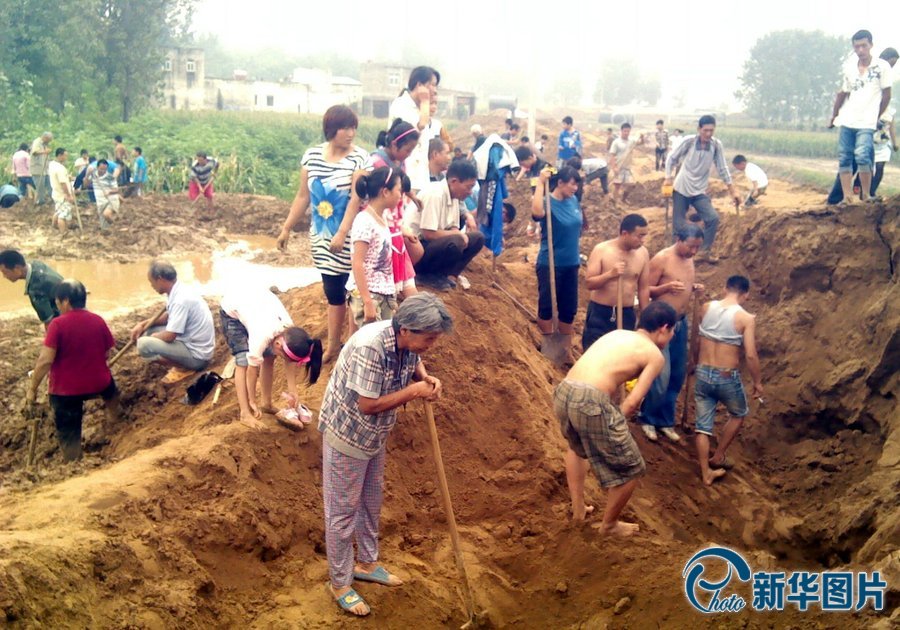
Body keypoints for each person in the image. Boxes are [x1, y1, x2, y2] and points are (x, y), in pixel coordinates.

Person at [319, 293, 451, 617]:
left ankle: (367, 563)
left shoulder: (406, 343)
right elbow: (368, 405)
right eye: (429, 338)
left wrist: (424, 377)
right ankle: (340, 582)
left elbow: (413, 359)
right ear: (405, 329)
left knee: (370, 500)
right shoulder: (371, 347)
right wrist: (414, 391)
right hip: (348, 434)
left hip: (375, 435)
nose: (432, 344)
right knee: (342, 512)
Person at [555, 300, 676, 533]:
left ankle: (578, 511)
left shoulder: (619, 333)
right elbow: (633, 402)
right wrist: (616, 423)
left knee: (576, 449)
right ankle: (609, 525)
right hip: (589, 399)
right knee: (631, 469)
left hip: (565, 390)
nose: (672, 337)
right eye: (672, 331)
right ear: (663, 328)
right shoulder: (655, 355)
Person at [277, 105, 369, 363]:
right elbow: (302, 196)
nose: (351, 133)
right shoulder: (312, 156)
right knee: (333, 292)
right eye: (345, 128)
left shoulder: (360, 158)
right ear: (331, 129)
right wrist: (286, 228)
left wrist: (342, 233)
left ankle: (352, 345)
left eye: (353, 128)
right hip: (321, 237)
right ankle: (333, 346)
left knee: (354, 291)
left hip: (351, 237)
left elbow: (356, 199)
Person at [25, 280, 120, 461]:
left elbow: (45, 361)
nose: (57, 306)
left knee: (68, 427)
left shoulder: (57, 325)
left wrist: (32, 389)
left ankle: (72, 457)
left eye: (57, 302)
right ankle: (116, 422)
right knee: (112, 392)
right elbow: (107, 352)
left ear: (66, 301)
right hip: (99, 383)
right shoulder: (98, 320)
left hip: (66, 391)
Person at [219, 284, 323, 429]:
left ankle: (266, 403)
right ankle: (245, 414)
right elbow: (251, 370)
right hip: (233, 308)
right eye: (282, 355)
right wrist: (252, 401)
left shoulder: (290, 332)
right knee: (242, 361)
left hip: (257, 303)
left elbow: (289, 362)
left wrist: (293, 391)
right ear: (279, 344)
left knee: (270, 357)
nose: (282, 358)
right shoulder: (262, 335)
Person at [693, 275, 762, 486]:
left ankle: (705, 473)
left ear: (725, 288)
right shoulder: (746, 318)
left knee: (702, 427)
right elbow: (750, 355)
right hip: (726, 376)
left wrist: (693, 363)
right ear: (746, 294)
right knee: (738, 413)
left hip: (703, 372)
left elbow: (697, 340)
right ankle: (718, 455)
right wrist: (757, 382)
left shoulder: (706, 307)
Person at [638, 225, 705, 443]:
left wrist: (693, 288)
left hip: (680, 323)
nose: (694, 251)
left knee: (677, 374)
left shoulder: (689, 260)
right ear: (679, 239)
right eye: (691, 246)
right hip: (661, 325)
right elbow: (645, 290)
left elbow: (683, 285)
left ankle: (665, 420)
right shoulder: (662, 259)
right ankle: (647, 417)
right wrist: (665, 289)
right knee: (661, 374)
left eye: (697, 247)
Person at [829, 30, 893, 205]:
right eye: (857, 47)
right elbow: (843, 93)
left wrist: (876, 115)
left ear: (871, 45)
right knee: (845, 157)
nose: (860, 50)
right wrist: (834, 115)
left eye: (864, 46)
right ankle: (847, 197)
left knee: (863, 155)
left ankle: (866, 194)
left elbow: (887, 95)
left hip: (867, 121)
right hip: (848, 119)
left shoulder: (882, 67)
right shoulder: (850, 68)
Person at [664, 115, 740, 260]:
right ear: (699, 129)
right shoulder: (689, 142)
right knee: (678, 225)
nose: (708, 134)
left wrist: (732, 190)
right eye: (705, 130)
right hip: (681, 188)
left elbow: (722, 168)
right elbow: (671, 158)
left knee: (712, 218)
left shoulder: (716, 145)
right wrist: (668, 177)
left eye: (711, 130)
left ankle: (703, 252)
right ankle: (676, 255)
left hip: (699, 191)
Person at [130, 261, 215, 383]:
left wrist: (154, 337)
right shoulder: (178, 290)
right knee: (148, 330)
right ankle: (180, 361)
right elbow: (168, 316)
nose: (152, 286)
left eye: (152, 282)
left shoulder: (180, 300)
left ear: (160, 279)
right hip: (191, 342)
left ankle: (183, 367)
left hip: (198, 357)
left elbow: (170, 336)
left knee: (143, 345)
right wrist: (142, 325)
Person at [406, 159, 484, 290]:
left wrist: (457, 233)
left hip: (434, 244)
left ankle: (448, 275)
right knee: (456, 241)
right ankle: (425, 275)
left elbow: (452, 226)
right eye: (468, 187)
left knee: (478, 238)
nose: (470, 192)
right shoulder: (435, 194)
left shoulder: (454, 196)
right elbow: (428, 234)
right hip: (417, 247)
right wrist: (458, 234)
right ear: (454, 181)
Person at [531, 166, 583, 362]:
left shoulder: (574, 200)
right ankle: (550, 347)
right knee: (547, 306)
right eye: (572, 184)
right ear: (560, 183)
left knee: (568, 308)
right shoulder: (547, 201)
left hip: (572, 263)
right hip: (551, 264)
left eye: (577, 184)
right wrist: (540, 183)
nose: (575, 188)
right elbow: (536, 213)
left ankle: (565, 349)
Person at [583, 214, 650, 351]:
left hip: (627, 313)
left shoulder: (643, 253)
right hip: (600, 313)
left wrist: (646, 317)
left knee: (622, 355)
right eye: (639, 236)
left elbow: (643, 288)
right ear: (625, 233)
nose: (643, 240)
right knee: (595, 353)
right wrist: (610, 274)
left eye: (644, 236)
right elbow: (589, 283)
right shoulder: (602, 250)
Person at [348, 167, 402, 330]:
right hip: (370, 294)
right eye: (399, 190)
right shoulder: (364, 220)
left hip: (383, 294)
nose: (400, 196)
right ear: (385, 192)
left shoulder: (381, 218)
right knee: (372, 341)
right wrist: (367, 302)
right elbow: (357, 263)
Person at [389, 66, 440, 191]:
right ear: (419, 85)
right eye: (432, 85)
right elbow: (416, 131)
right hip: (406, 176)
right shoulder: (401, 104)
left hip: (421, 178)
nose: (435, 90)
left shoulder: (420, 108)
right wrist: (425, 102)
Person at [0, 249, 63, 327]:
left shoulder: (36, 287)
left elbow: (48, 321)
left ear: (17, 268)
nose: (4, 276)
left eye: (5, 272)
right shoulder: (35, 264)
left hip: (68, 318)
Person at [85, 159, 120, 231]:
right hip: (100, 202)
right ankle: (112, 230)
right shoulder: (93, 175)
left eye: (105, 169)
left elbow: (117, 190)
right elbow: (86, 184)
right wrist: (87, 174)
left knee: (106, 214)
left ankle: (116, 226)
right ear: (97, 167)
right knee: (104, 228)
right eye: (101, 169)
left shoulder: (110, 177)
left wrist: (109, 192)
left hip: (111, 200)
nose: (103, 171)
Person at [609, 122, 638, 203]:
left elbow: (640, 142)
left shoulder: (631, 141)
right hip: (618, 167)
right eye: (625, 131)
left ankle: (624, 199)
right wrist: (614, 168)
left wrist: (642, 137)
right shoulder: (616, 142)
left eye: (628, 131)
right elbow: (612, 156)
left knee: (632, 185)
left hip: (627, 168)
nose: (626, 133)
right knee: (617, 186)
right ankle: (615, 202)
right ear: (621, 131)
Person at [48, 148, 75, 236]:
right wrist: (68, 195)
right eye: (65, 156)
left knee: (59, 211)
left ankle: (54, 227)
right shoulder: (60, 168)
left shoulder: (52, 165)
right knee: (62, 215)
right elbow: (63, 183)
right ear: (60, 155)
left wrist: (67, 177)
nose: (66, 158)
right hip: (62, 195)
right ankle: (63, 232)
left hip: (56, 193)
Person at [31, 132, 53, 205]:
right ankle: (40, 202)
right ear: (45, 138)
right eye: (48, 140)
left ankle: (51, 199)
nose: (49, 142)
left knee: (50, 184)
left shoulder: (45, 145)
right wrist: (44, 152)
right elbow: (34, 152)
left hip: (45, 170)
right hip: (37, 169)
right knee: (40, 187)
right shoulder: (37, 142)